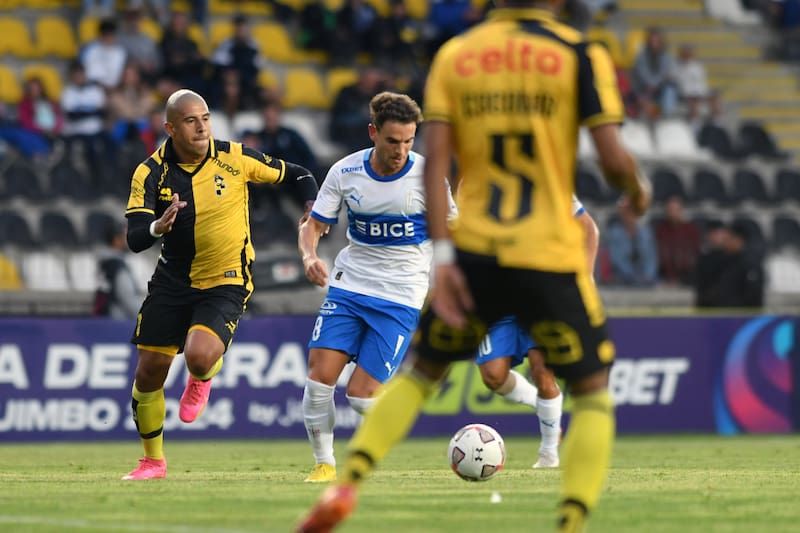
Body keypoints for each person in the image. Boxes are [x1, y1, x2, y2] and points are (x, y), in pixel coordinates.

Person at [296, 1, 651, 532]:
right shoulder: (580, 53)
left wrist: (444, 258)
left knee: (420, 378)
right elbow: (612, 157)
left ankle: (348, 484)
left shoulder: (458, 56)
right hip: (547, 250)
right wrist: (636, 191)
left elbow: (436, 161)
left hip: (480, 248)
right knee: (595, 392)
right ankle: (572, 520)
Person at [121, 89, 318, 480]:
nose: (201, 127)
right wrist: (158, 226)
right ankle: (152, 462)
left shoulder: (234, 157)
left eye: (206, 118)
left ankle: (203, 373)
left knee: (197, 354)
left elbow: (301, 174)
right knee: (148, 374)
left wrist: (312, 209)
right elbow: (134, 237)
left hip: (227, 276)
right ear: (170, 128)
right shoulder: (150, 172)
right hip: (173, 278)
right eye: (191, 121)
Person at [298, 91, 456, 483]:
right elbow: (314, 224)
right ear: (373, 132)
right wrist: (309, 256)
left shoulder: (428, 175)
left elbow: (453, 232)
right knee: (319, 379)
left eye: (408, 141)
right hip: (349, 287)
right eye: (392, 141)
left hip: (401, 296)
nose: (401, 150)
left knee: (359, 395)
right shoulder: (345, 172)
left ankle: (434, 442)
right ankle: (324, 465)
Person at [476, 200, 599, 469]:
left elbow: (588, 227)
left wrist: (586, 276)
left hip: (543, 293)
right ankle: (542, 405)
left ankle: (548, 453)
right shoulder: (473, 184)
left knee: (542, 370)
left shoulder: (545, 179)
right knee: (493, 376)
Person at [694, 221, 765, 308]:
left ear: (739, 240)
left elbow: (753, 296)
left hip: (742, 317)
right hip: (724, 316)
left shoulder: (750, 264)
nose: (725, 243)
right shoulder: (724, 261)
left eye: (728, 239)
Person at [94, 221, 143, 319]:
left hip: (104, 318)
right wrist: (146, 316)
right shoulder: (117, 266)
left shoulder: (105, 263)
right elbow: (127, 298)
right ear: (116, 240)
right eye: (125, 237)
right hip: (119, 322)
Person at [605, 197, 659, 286]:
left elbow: (651, 258)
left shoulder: (646, 233)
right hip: (623, 278)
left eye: (633, 212)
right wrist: (633, 277)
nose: (630, 216)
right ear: (622, 214)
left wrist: (648, 275)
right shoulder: (614, 233)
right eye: (627, 213)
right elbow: (617, 260)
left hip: (646, 279)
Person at [653, 195, 701, 286]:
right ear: (666, 211)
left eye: (676, 210)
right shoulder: (660, 231)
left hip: (687, 275)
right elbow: (658, 256)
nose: (673, 213)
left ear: (681, 210)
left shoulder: (691, 230)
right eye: (670, 210)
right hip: (663, 276)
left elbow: (695, 255)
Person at [631, 26, 678, 119]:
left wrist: (655, 84)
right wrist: (651, 84)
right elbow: (642, 74)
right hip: (644, 88)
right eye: (652, 41)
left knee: (670, 89)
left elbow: (664, 73)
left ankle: (666, 116)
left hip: (659, 89)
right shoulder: (641, 57)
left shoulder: (666, 57)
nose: (654, 44)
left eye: (657, 41)